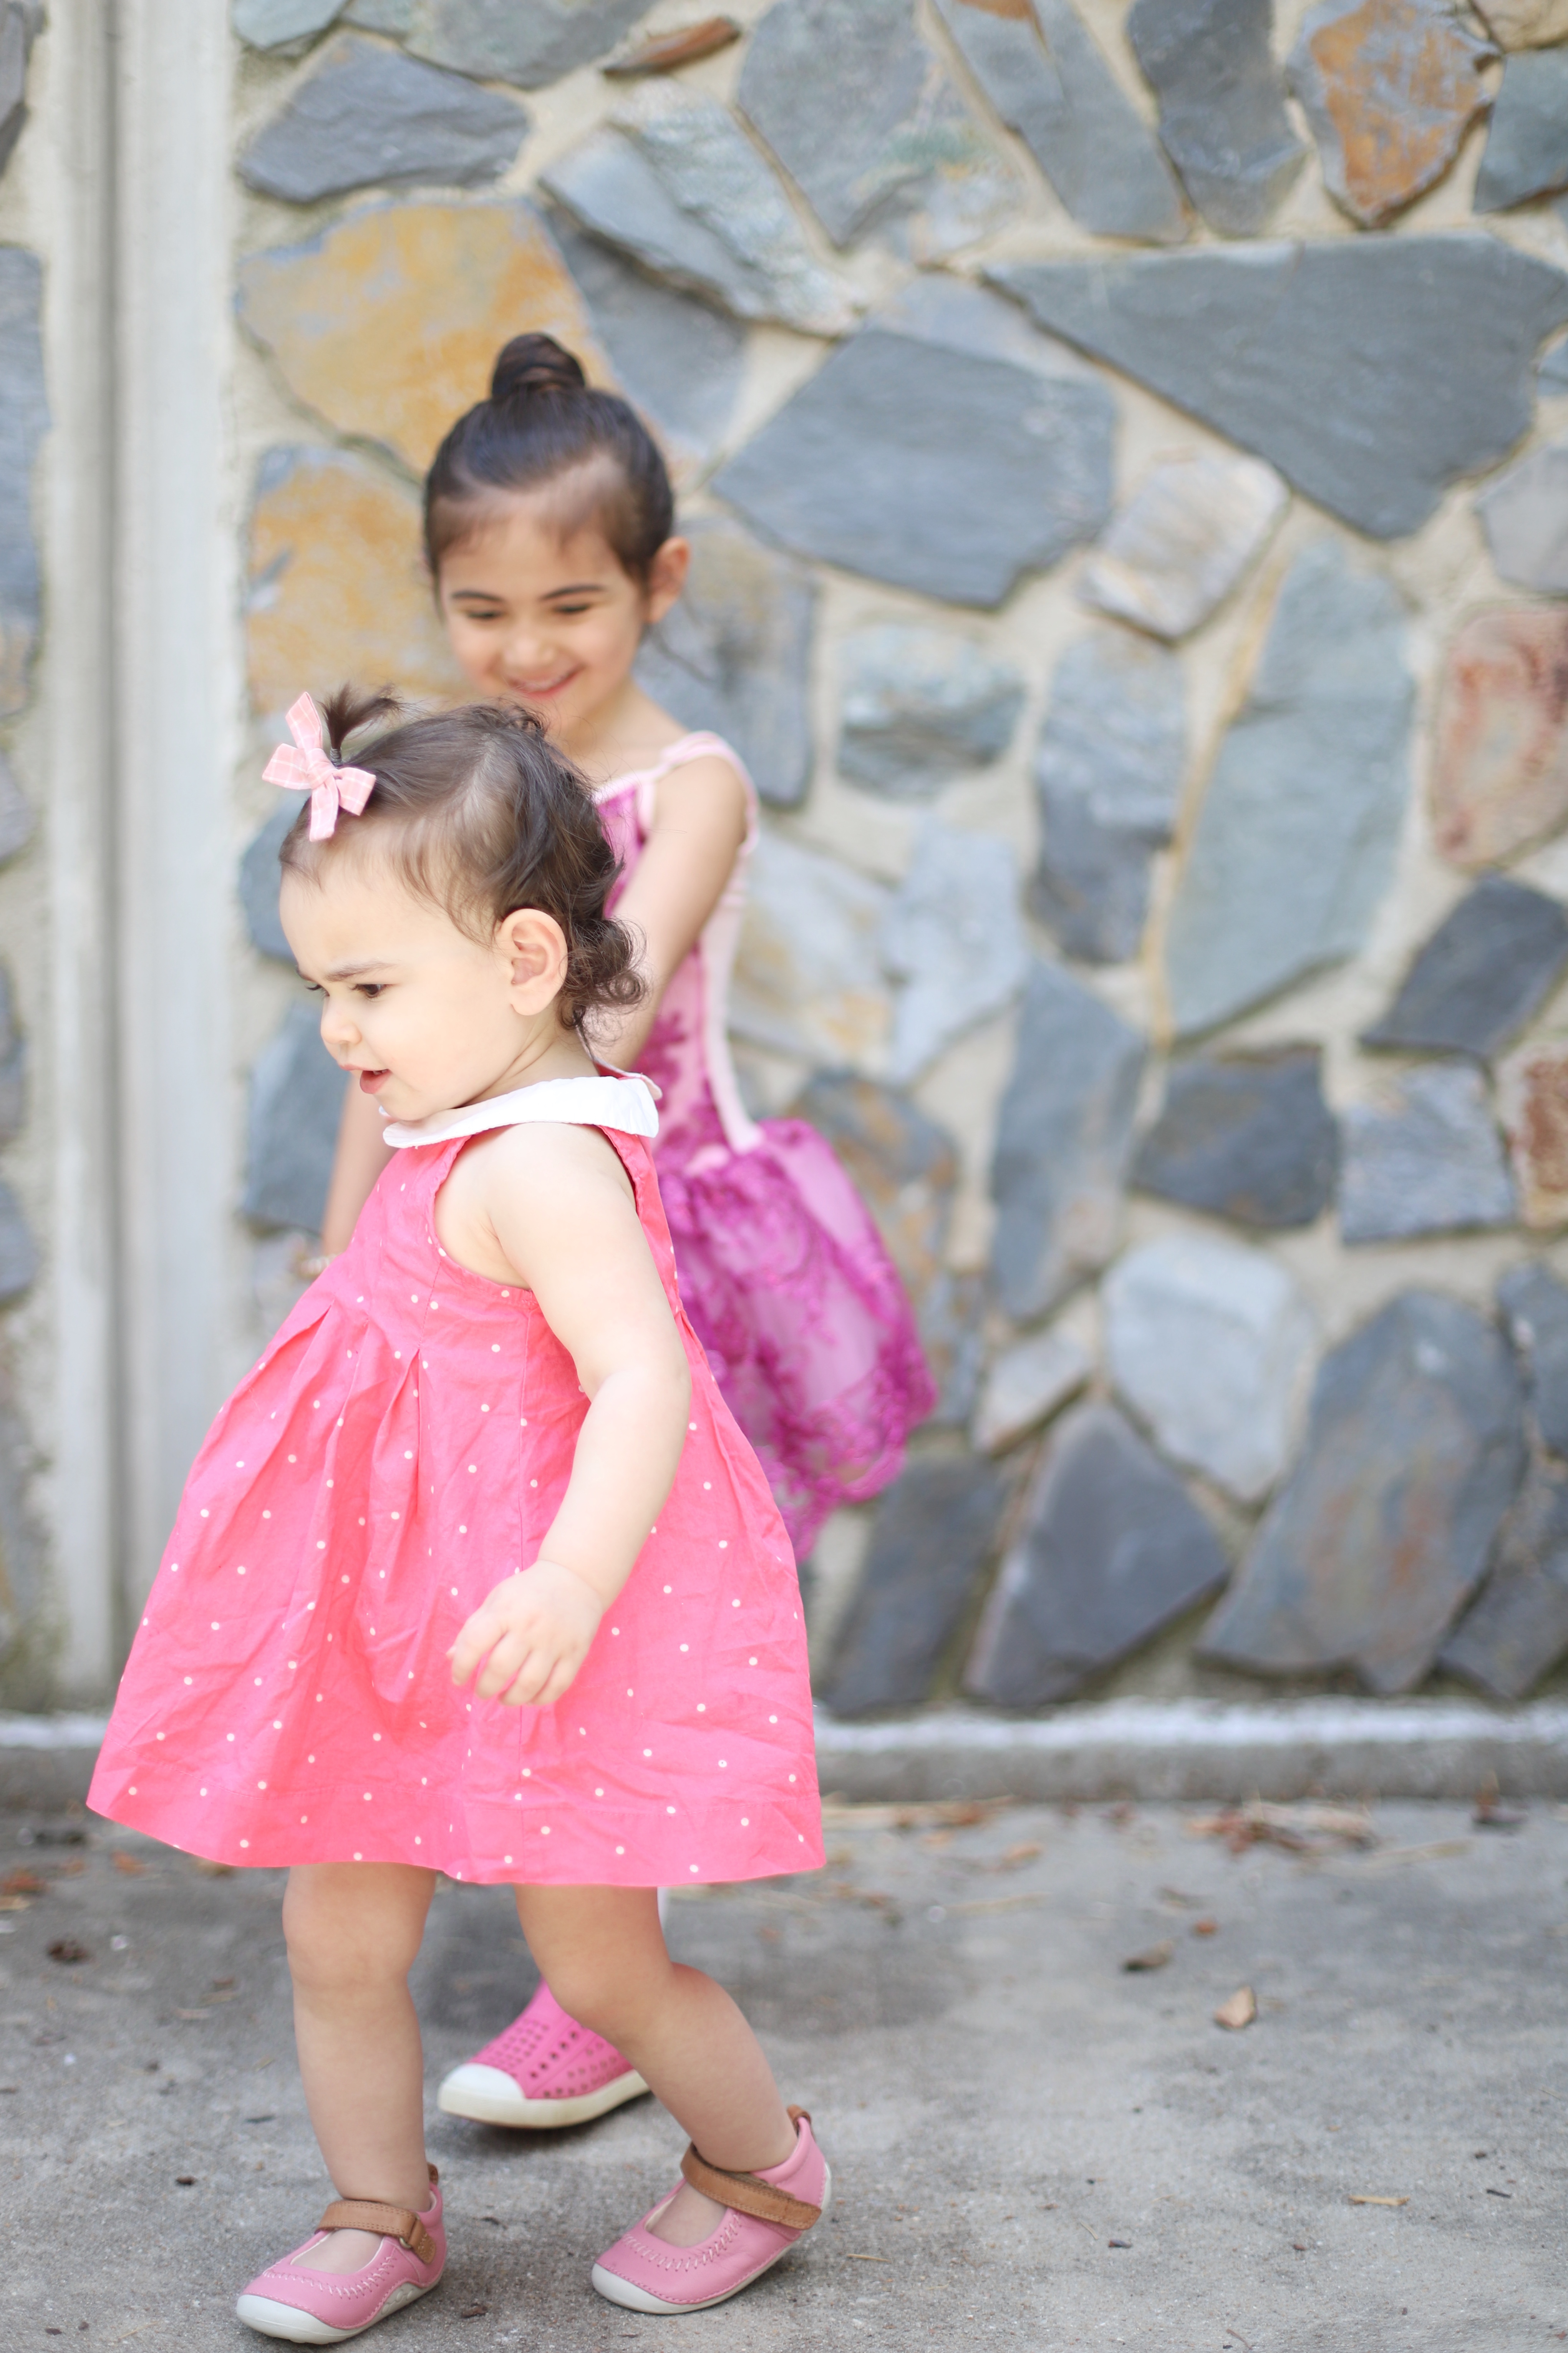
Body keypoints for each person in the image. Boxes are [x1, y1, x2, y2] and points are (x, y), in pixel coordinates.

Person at [89, 689, 830, 2339]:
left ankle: (762, 2160)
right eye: (319, 991)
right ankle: (379, 2208)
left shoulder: (542, 1163)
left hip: (529, 1622)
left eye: (369, 988)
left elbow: (640, 1380)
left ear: (519, 963)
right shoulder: (448, 1125)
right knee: (333, 1921)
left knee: (599, 1967)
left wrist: (570, 1577)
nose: (340, 1031)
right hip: (388, 1612)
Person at [310, 334, 936, 2138]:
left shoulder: (692, 781)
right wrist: (347, 1250)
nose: (525, 649)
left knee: (631, 1605)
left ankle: (598, 1981)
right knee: (495, 1581)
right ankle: (577, 1942)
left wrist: (462, 981)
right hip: (477, 1247)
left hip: (659, 1233)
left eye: (569, 603)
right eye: (482, 609)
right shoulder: (448, 783)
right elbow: (387, 1063)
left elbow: (612, 991)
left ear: (659, 584)